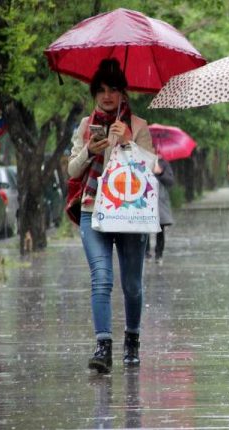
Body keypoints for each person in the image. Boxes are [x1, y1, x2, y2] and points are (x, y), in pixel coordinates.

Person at [67, 58, 154, 373]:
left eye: (113, 90)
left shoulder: (139, 125)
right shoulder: (85, 126)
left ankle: (132, 338)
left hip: (131, 214)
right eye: (101, 90)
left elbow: (152, 170)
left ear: (123, 94)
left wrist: (129, 142)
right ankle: (103, 346)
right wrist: (90, 150)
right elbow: (71, 169)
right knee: (101, 278)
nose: (107, 96)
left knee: (131, 284)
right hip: (94, 210)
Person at [145, 154, 174, 264]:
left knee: (160, 228)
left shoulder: (164, 164)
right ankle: (146, 252)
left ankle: (159, 253)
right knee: (145, 226)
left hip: (160, 201)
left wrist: (160, 173)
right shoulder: (143, 161)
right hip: (145, 199)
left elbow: (170, 181)